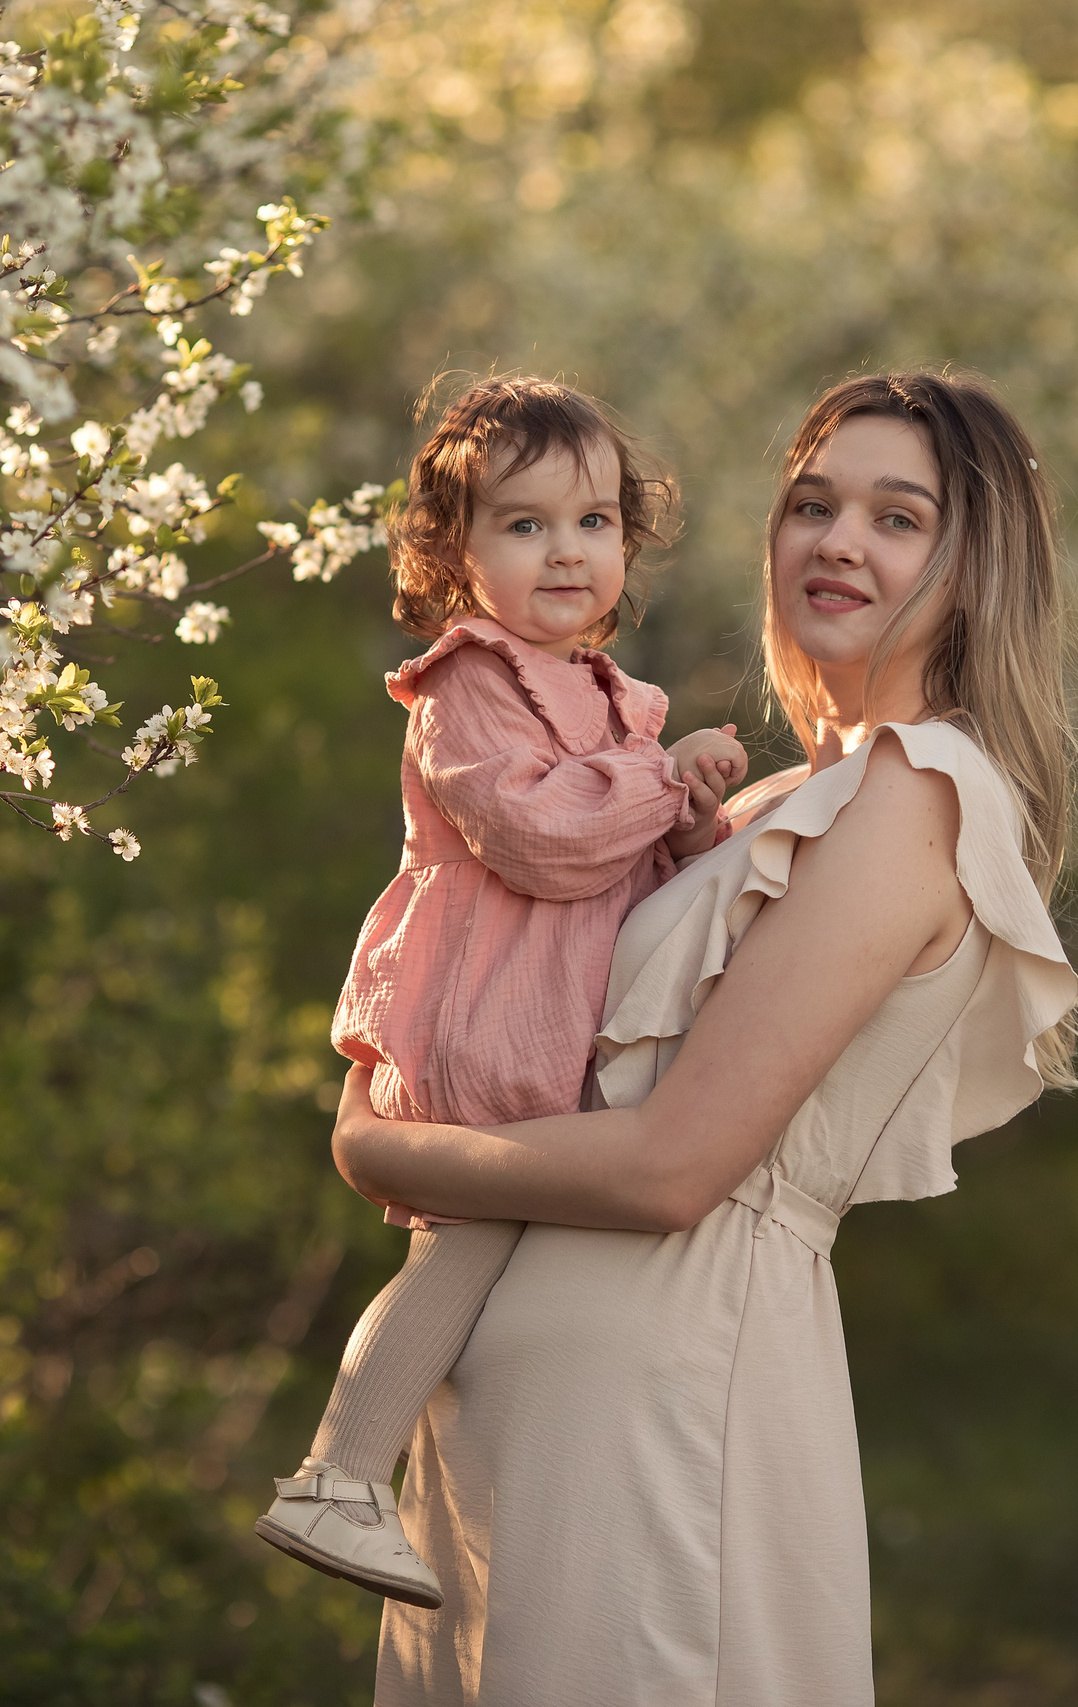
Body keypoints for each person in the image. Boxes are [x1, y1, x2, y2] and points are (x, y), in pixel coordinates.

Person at [328, 369, 1078, 1703]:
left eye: (898, 517)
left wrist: (390, 1151)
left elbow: (676, 1162)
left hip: (659, 1398)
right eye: (812, 503)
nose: (838, 539)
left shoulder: (914, 794)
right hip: (531, 1415)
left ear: (976, 569)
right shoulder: (787, 792)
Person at [256, 376, 750, 1608]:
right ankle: (337, 1475)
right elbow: (540, 840)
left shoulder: (604, 692)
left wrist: (689, 823)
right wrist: (654, 782)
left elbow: (626, 863)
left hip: (559, 1011)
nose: (565, 551)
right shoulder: (467, 685)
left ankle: (459, 1491)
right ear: (453, 553)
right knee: (464, 1242)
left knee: (507, 1263)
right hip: (487, 1011)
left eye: (590, 522)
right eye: (523, 525)